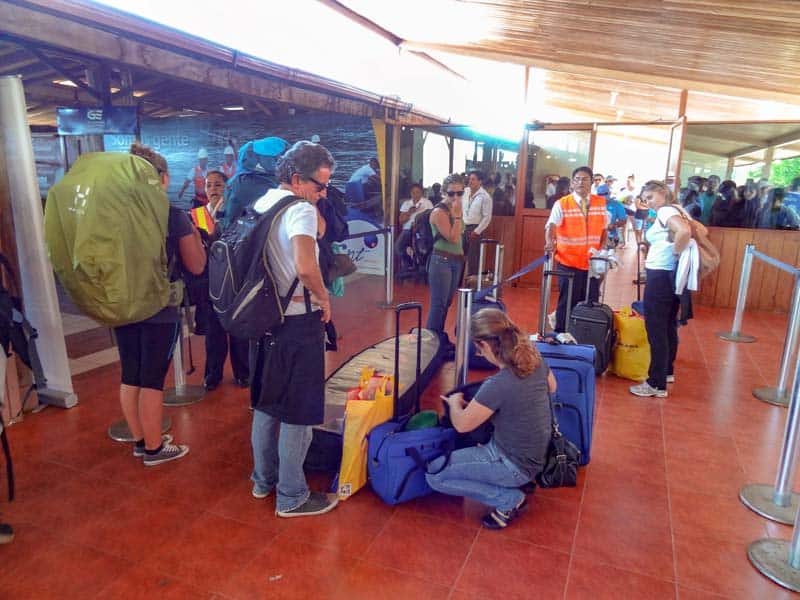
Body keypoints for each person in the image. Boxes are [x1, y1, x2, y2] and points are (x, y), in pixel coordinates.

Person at [250, 140, 339, 518]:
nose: (323, 193)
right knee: (298, 411)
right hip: (298, 319)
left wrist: (313, 203)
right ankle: (291, 495)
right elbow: (305, 266)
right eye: (319, 185)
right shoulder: (299, 210)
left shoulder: (264, 202)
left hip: (266, 318)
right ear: (295, 179)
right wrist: (324, 298)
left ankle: (263, 480)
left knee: (267, 402)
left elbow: (315, 235)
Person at [427, 308, 556, 529]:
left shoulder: (498, 384)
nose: (479, 354)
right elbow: (552, 388)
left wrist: (455, 403)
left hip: (511, 463)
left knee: (434, 474)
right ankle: (518, 485)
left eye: (478, 349)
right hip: (537, 457)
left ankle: (508, 500)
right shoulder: (534, 359)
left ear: (485, 345)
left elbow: (461, 425)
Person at [118, 143, 206, 465]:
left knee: (131, 374)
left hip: (122, 303)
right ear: (163, 179)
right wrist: (196, 235)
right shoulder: (172, 215)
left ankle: (141, 440)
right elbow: (196, 266)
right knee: (153, 379)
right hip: (160, 307)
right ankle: (155, 450)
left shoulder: (116, 214)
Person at [630, 180, 692, 398]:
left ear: (663, 193)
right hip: (671, 276)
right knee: (667, 326)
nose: (649, 202)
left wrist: (674, 253)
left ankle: (655, 383)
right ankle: (666, 372)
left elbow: (684, 232)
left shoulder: (666, 210)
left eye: (651, 197)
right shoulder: (679, 210)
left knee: (656, 327)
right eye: (645, 199)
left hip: (662, 276)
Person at [200, 170, 250, 390]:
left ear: (227, 188)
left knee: (238, 330)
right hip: (209, 283)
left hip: (233, 280)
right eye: (209, 185)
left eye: (218, 185)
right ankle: (213, 374)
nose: (213, 189)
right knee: (213, 333)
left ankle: (243, 373)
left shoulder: (235, 214)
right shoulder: (198, 215)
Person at [544, 166, 609, 333]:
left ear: (592, 182)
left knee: (591, 301)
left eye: (585, 179)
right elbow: (551, 225)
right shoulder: (562, 203)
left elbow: (604, 230)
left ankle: (585, 336)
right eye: (577, 179)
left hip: (592, 263)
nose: (581, 182)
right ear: (572, 183)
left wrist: (602, 250)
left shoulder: (600, 203)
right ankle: (561, 334)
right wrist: (549, 241)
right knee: (567, 301)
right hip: (568, 261)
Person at [425, 174, 465, 347]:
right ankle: (430, 342)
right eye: (451, 193)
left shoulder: (455, 210)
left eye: (459, 193)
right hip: (441, 261)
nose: (455, 197)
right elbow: (454, 238)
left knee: (447, 302)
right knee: (438, 304)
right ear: (443, 193)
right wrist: (457, 216)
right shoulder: (439, 212)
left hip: (455, 261)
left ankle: (438, 338)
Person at [462, 170, 493, 278]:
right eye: (469, 179)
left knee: (473, 259)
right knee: (458, 255)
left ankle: (471, 283)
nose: (470, 181)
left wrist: (477, 231)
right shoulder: (465, 192)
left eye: (473, 179)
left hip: (474, 229)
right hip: (462, 227)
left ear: (480, 181)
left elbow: (487, 217)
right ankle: (457, 282)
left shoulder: (485, 197)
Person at [395, 182, 433, 270]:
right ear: (410, 193)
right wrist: (409, 212)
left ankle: (421, 268)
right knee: (398, 247)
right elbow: (401, 221)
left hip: (422, 231)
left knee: (422, 249)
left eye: (418, 192)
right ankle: (408, 263)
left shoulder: (427, 203)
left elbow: (432, 217)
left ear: (421, 193)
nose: (415, 195)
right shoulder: (406, 203)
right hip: (408, 230)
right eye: (413, 192)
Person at [598, 184, 627, 248]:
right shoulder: (592, 204)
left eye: (605, 194)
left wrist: (614, 225)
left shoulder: (616, 205)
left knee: (608, 256)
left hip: (611, 236)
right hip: (595, 237)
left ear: (609, 193)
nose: (603, 196)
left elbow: (623, 220)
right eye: (600, 194)